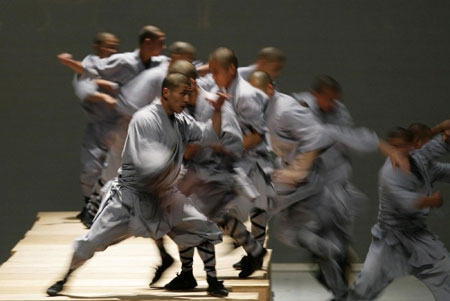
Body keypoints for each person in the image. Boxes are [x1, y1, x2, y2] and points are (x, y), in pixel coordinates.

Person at [46, 73, 228, 297]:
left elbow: (210, 135)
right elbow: (148, 163)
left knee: (202, 227)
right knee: (92, 241)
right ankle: (64, 278)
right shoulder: (145, 119)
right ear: (166, 92)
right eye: (182, 94)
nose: (186, 100)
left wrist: (218, 110)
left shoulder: (182, 120)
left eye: (189, 95)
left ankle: (212, 280)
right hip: (131, 197)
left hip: (165, 195)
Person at [174, 60, 267, 278]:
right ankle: (253, 250)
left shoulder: (215, 104)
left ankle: (189, 273)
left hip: (217, 171)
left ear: (191, 82)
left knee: (191, 219)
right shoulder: (182, 106)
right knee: (203, 219)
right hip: (195, 171)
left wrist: (205, 145)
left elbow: (233, 143)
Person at [348, 127, 450, 301]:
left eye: (402, 146)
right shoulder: (389, 175)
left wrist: (445, 134)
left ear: (411, 146)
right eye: (394, 146)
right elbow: (408, 204)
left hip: (419, 239)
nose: (397, 151)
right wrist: (432, 201)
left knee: (445, 273)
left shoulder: (419, 159)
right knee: (364, 288)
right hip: (389, 240)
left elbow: (435, 145)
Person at [208, 48, 272, 269]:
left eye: (216, 71)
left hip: (252, 161)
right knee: (249, 211)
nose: (213, 76)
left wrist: (227, 149)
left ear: (231, 69)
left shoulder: (244, 94)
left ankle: (253, 251)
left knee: (225, 210)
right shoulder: (226, 90)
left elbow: (258, 134)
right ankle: (253, 250)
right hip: (240, 160)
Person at [66, 32, 121, 225]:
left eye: (115, 46)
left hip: (119, 126)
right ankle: (88, 206)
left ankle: (110, 208)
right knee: (91, 168)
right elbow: (85, 91)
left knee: (117, 171)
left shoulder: (120, 65)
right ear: (97, 46)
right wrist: (104, 95)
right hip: (98, 127)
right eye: (108, 46)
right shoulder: (86, 67)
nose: (112, 50)